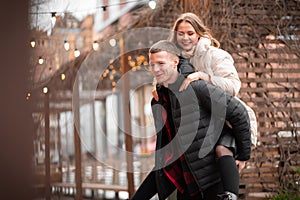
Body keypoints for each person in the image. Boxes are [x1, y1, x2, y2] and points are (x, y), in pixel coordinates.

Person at [131, 40, 251, 199]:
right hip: (187, 185)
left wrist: (243, 155)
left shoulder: (197, 88)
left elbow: (239, 113)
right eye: (152, 65)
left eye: (161, 63)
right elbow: (168, 153)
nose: (156, 69)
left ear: (175, 62)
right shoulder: (158, 101)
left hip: (212, 180)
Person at [167, 12, 258, 199]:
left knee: (221, 150)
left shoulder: (215, 55)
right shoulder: (179, 60)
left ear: (199, 34)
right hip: (207, 123)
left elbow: (234, 86)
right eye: (181, 33)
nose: (185, 38)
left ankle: (231, 196)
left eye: (190, 33)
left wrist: (204, 77)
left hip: (229, 120)